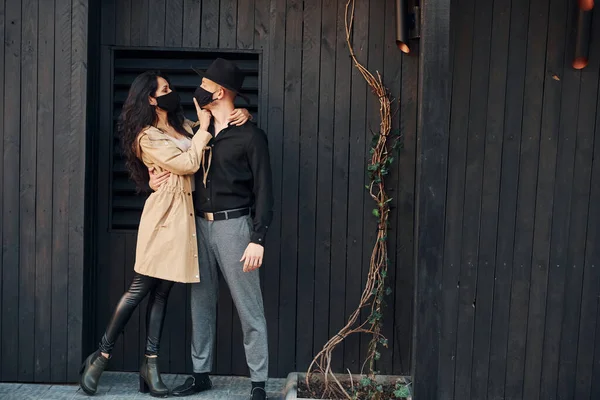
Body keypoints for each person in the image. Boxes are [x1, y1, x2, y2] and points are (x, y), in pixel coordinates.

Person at [79, 70, 251, 397]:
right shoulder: (147, 136)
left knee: (163, 293)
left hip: (184, 221)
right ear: (150, 98)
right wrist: (201, 131)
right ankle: (100, 357)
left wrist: (242, 113)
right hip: (163, 219)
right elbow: (188, 163)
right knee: (139, 289)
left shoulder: (179, 125)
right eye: (166, 89)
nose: (173, 92)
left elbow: (208, 136)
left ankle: (150, 363)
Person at [150, 58, 274, 400]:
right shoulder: (193, 131)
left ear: (218, 92)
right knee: (200, 303)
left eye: (205, 84)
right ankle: (200, 374)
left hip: (234, 228)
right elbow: (161, 148)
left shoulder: (251, 135)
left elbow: (265, 190)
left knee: (249, 307)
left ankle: (259, 382)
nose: (198, 90)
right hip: (196, 228)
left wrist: (258, 238)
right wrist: (151, 175)